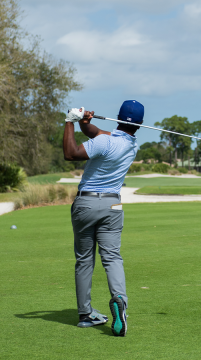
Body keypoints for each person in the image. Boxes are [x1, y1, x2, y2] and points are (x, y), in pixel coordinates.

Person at [63, 100, 143, 337]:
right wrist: (85, 123)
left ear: (118, 117)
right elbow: (97, 134)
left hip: (87, 204)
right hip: (113, 205)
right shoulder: (131, 144)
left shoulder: (105, 141)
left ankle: (86, 314)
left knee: (85, 260)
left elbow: (71, 153)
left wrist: (70, 121)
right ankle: (120, 302)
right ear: (138, 125)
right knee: (112, 257)